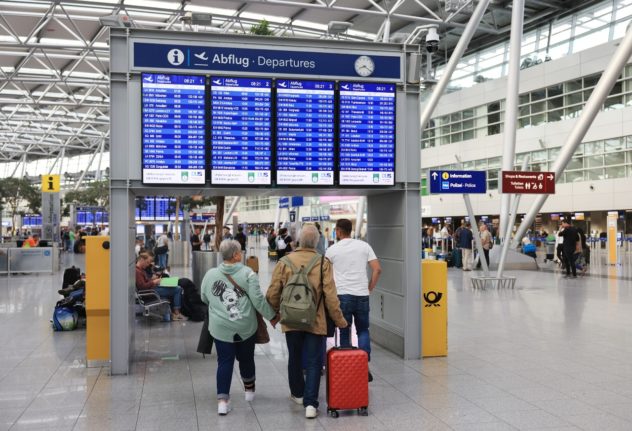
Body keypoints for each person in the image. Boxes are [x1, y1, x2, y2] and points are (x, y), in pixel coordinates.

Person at [266, 226, 347, 419]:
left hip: (291, 320)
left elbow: (272, 293)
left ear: (299, 241)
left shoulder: (284, 261)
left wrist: (275, 314)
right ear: (317, 241)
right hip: (315, 321)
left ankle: (298, 395)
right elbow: (330, 296)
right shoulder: (322, 263)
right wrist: (339, 320)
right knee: (313, 362)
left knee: (294, 357)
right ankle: (311, 404)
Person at [200, 240, 278, 416]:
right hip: (245, 325)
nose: (241, 253)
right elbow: (258, 301)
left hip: (220, 327)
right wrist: (272, 316)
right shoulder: (248, 273)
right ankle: (249, 392)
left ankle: (222, 402)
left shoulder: (211, 274)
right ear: (235, 254)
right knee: (246, 358)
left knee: (224, 361)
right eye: (239, 251)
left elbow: (204, 297)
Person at [325, 218, 381, 382]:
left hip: (342, 296)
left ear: (339, 231)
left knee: (344, 330)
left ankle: (346, 367)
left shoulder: (332, 250)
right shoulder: (364, 246)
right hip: (362, 295)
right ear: (350, 230)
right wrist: (369, 288)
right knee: (363, 330)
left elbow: (326, 276)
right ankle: (364, 366)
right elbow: (377, 269)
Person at [135, 252, 187, 320]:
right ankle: (176, 313)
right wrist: (154, 282)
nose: (148, 265)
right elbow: (142, 287)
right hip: (151, 292)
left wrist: (152, 280)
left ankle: (170, 315)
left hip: (152, 289)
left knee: (173, 287)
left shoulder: (140, 270)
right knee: (178, 289)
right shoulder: (137, 271)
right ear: (141, 260)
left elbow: (144, 283)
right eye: (147, 262)